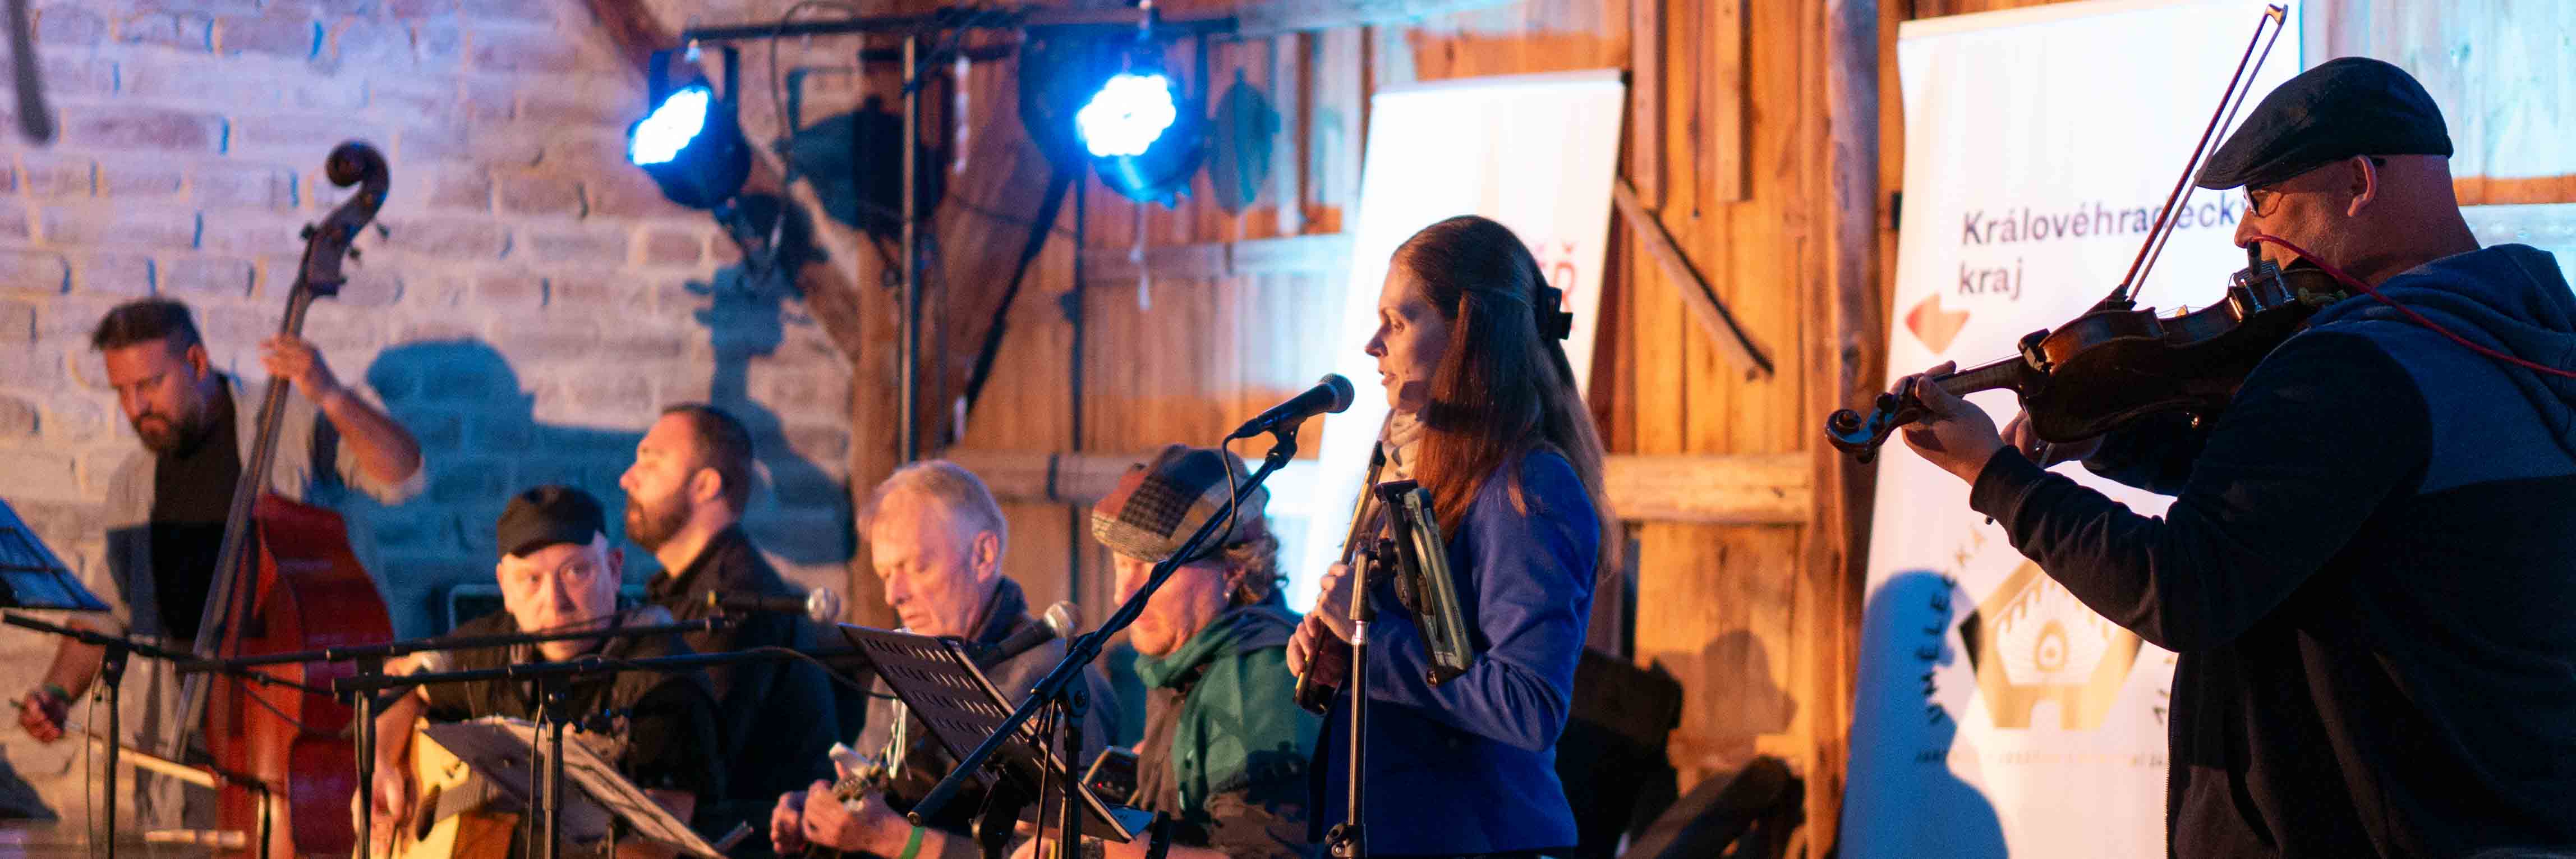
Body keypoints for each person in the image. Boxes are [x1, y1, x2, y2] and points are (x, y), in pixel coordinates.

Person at [1890, 58, 2576, 857]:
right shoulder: (2523, 341)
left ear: (2358, 183)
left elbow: (2184, 584)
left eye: (2261, 198)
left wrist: (1995, 477)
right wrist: (2113, 437)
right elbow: (2313, 507)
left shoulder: (2355, 367)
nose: (2245, 234)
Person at [16, 297, 425, 829]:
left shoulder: (288, 423)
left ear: (197, 361)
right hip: (183, 732)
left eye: (150, 384)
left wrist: (330, 392)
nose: (135, 407)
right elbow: (106, 615)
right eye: (121, 391)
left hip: (295, 724)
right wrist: (55, 693)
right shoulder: (132, 484)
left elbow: (403, 478)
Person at [1285, 214, 1615, 858]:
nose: (1372, 345)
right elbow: (1421, 656)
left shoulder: (1527, 487)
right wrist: (1337, 658)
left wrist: (1370, 641)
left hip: (1483, 838)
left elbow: (1527, 706)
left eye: (1397, 321)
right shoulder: (1403, 465)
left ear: (1467, 333)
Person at [770, 461, 1119, 859]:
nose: (893, 596)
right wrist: (823, 815)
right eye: (885, 574)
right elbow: (871, 782)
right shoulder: (904, 656)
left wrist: (894, 840)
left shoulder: (1057, 681)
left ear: (983, 555)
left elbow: (1071, 852)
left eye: (917, 567)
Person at [363, 485, 724, 859]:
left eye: (576, 571)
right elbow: (402, 680)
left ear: (614, 569)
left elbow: (658, 848)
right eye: (531, 579)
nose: (554, 602)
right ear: (505, 587)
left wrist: (584, 808)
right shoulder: (497, 648)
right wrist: (382, 764)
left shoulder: (662, 683)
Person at [1011, 444, 1321, 859]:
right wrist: (1060, 835)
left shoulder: (1260, 678)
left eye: (1154, 569)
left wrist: (1090, 843)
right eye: (1122, 564)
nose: (1124, 595)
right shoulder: (1184, 664)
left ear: (1233, 570)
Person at [619, 403, 841, 854]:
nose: (628, 478)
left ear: (706, 485)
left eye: (651, 461)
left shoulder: (740, 599)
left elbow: (692, 751)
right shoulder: (681, 591)